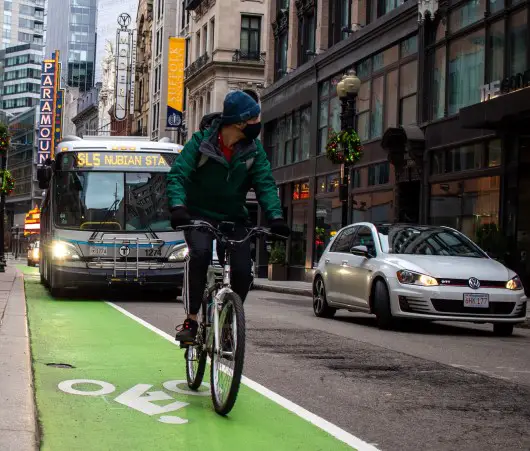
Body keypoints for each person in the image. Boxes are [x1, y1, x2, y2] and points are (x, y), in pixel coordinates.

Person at [167, 90, 290, 343]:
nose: (259, 124)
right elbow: (178, 175)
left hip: (234, 218)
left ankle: (226, 320)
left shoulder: (253, 151)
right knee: (199, 255)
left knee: (244, 272)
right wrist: (178, 207)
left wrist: (275, 217)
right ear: (240, 122)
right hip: (199, 216)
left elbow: (265, 184)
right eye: (255, 119)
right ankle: (191, 319)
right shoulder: (201, 143)